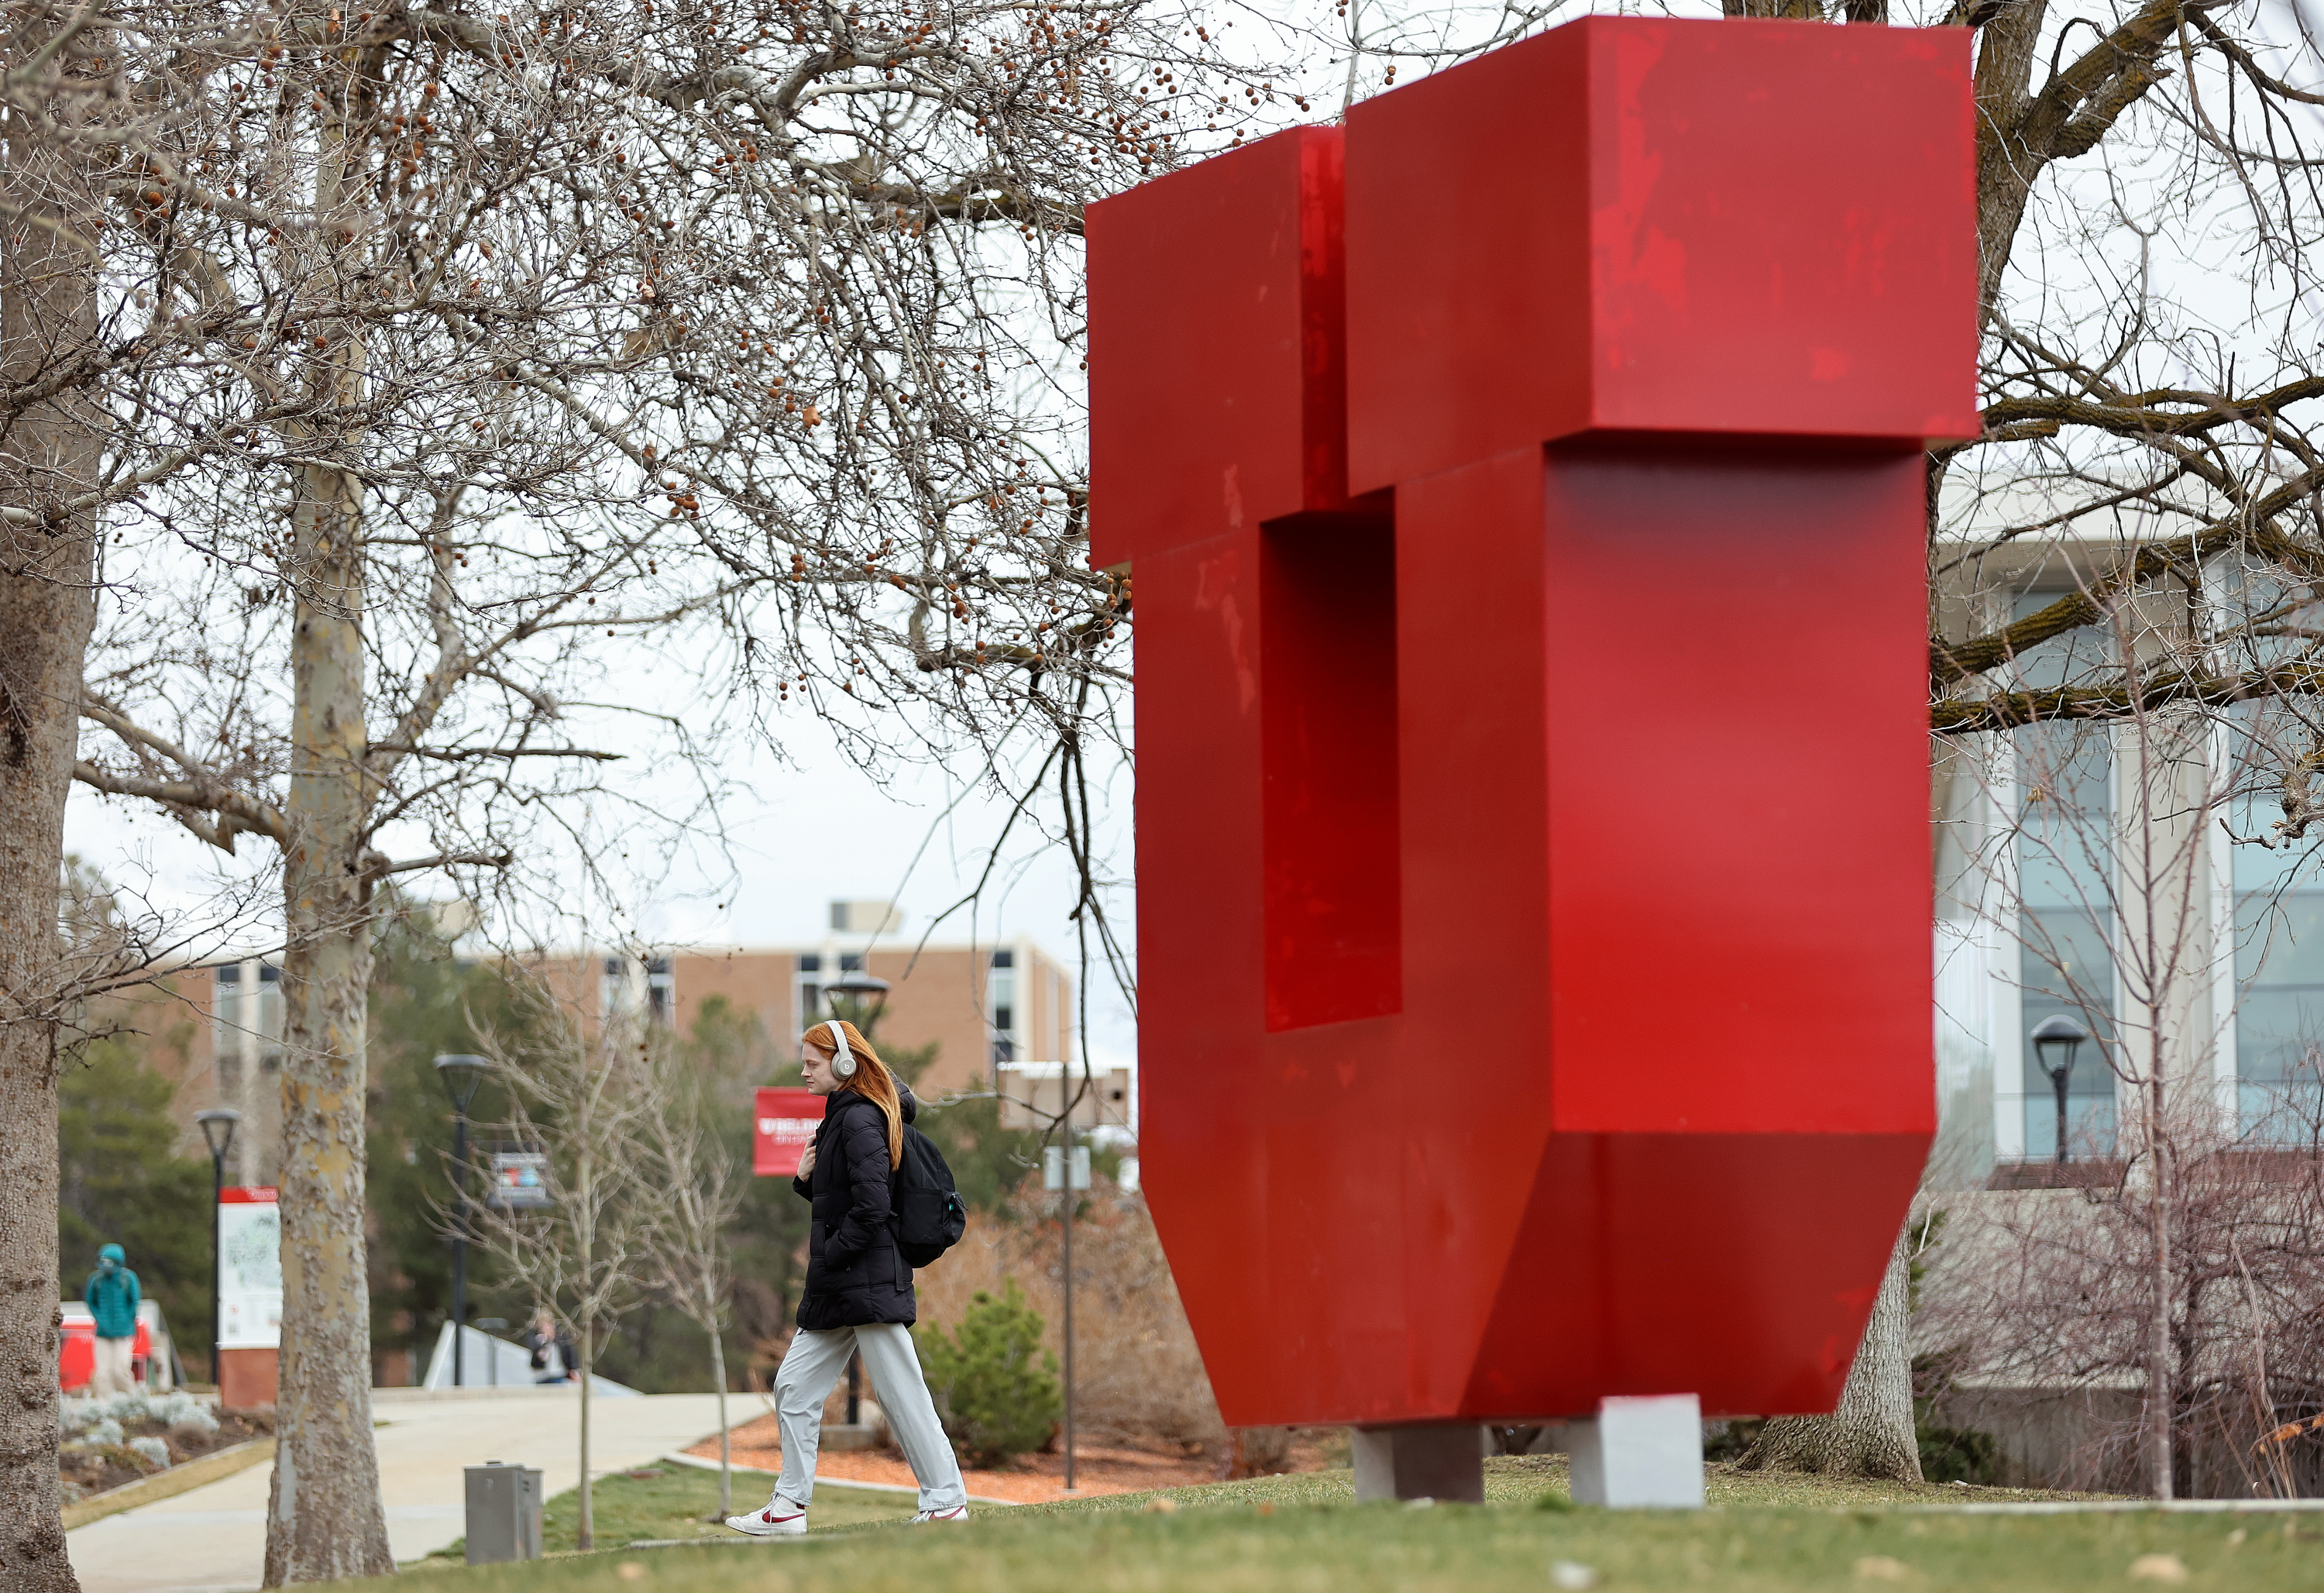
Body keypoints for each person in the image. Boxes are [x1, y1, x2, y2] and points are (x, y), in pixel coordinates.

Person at [726, 1019, 970, 1536]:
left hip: (867, 1281)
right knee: (792, 1387)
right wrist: (804, 1179)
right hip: (841, 1284)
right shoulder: (841, 1120)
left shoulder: (859, 1120)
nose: (803, 1071)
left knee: (902, 1394)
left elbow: (873, 1206)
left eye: (812, 1063)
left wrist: (833, 1252)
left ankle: (946, 1501)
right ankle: (788, 1508)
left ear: (843, 1064)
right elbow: (846, 1197)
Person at [83, 1244, 141, 1399]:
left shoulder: (128, 1279)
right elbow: (90, 1301)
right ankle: (105, 1406)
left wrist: (127, 1321)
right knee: (102, 1373)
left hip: (123, 1333)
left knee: (120, 1370)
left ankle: (132, 1401)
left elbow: (134, 1302)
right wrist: (101, 1320)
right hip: (103, 1333)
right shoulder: (96, 1280)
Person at [523, 1310, 576, 1384]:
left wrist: (572, 1368)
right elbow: (536, 1350)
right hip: (541, 1374)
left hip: (558, 1373)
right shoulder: (535, 1336)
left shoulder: (561, 1336)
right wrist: (546, 1339)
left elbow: (569, 1351)